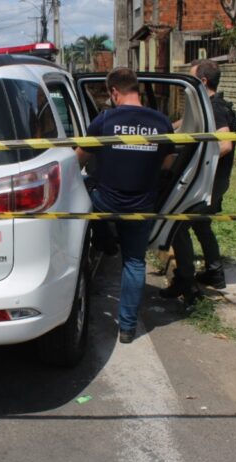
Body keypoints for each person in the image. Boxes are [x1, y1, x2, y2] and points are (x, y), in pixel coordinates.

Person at [76, 67, 175, 344]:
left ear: (114, 92)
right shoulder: (161, 122)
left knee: (86, 194)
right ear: (138, 89)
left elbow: (78, 161)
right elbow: (168, 163)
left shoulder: (104, 120)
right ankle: (128, 329)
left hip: (106, 201)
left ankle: (106, 242)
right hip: (142, 204)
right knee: (134, 261)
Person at [160, 59, 236, 306]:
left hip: (209, 181)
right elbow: (183, 124)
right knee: (201, 224)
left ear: (203, 82)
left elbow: (225, 144)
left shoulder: (215, 108)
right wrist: (161, 129)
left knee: (178, 225)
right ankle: (214, 272)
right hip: (213, 180)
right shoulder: (207, 106)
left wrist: (196, 160)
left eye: (192, 80)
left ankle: (185, 279)